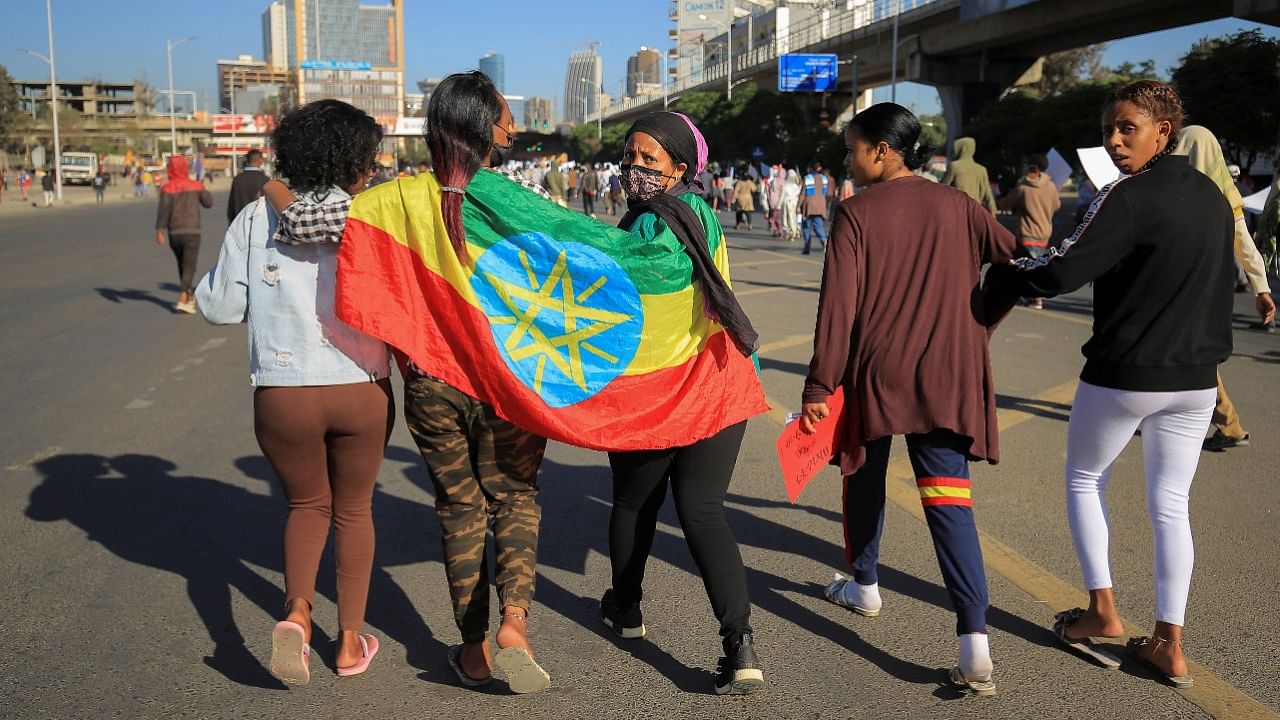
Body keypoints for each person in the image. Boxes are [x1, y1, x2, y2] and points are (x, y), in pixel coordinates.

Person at [260, 71, 554, 694]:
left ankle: (472, 650)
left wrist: (270, 188)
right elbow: (585, 265)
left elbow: (301, 224)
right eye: (504, 119)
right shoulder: (523, 194)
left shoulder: (394, 200)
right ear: (484, 129)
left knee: (459, 505)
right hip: (509, 379)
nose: (511, 129)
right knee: (516, 497)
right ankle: (515, 623)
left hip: (430, 381)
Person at [986, 79, 1233, 690]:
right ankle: (1167, 643)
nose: (1116, 140)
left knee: (1084, 479)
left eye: (1128, 128)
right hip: (1198, 380)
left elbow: (1060, 269)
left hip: (1125, 374)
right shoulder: (1210, 195)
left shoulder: (1124, 195)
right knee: (1170, 506)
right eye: (1108, 131)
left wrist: (1005, 266)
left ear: (1163, 133)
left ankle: (1101, 611)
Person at [801, 103, 1017, 697]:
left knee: (863, 474)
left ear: (882, 151)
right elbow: (1017, 262)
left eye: (853, 149)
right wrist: (980, 322)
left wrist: (820, 385)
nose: (848, 160)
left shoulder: (855, 214)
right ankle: (975, 642)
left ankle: (864, 584)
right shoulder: (961, 206)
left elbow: (837, 310)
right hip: (947, 373)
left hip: (877, 373)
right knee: (948, 499)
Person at [194, 99, 392, 685]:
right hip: (361, 386)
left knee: (307, 506)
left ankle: (299, 616)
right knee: (354, 509)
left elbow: (219, 306)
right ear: (354, 159)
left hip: (283, 391)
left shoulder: (257, 217)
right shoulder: (371, 215)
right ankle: (351, 643)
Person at [603, 111, 765, 696]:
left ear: (680, 167)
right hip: (721, 381)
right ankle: (739, 644)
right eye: (632, 157)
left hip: (665, 386)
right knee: (702, 511)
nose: (636, 169)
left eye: (650, 161)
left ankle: (625, 609)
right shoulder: (702, 214)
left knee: (635, 502)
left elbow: (631, 286)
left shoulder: (656, 221)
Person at [1173, 125, 1276, 450]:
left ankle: (1227, 424)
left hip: (1179, 290)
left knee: (1185, 353)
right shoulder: (1225, 196)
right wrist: (1261, 288)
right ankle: (1224, 423)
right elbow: (1244, 242)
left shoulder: (1170, 191)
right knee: (1188, 353)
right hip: (1211, 290)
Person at [998, 153, 1061, 309]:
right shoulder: (1052, 186)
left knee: (1028, 266)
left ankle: (1034, 297)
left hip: (1027, 232)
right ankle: (1035, 298)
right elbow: (1057, 206)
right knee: (1039, 264)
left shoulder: (1023, 188)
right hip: (1045, 233)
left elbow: (1004, 204)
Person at [154, 156, 213, 313]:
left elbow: (163, 212)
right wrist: (202, 187)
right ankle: (182, 297)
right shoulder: (195, 186)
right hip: (192, 231)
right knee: (190, 265)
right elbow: (209, 203)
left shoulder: (167, 188)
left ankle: (188, 296)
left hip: (175, 232)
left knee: (182, 264)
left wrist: (159, 231)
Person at [942, 137, 997, 214]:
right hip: (976, 210)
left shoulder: (954, 166)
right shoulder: (981, 169)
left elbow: (943, 188)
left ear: (962, 149)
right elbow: (988, 193)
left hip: (958, 209)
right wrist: (993, 210)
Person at [227, 149, 270, 222]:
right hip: (258, 222)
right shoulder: (265, 179)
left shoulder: (237, 179)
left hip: (239, 220)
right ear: (259, 161)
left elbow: (231, 204)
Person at [801, 163, 829, 255]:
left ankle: (807, 247)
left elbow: (803, 193)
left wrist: (798, 206)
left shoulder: (808, 178)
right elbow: (825, 192)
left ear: (811, 169)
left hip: (809, 205)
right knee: (818, 225)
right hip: (820, 205)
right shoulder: (824, 179)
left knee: (806, 227)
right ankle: (824, 240)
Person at [780, 169, 802, 242]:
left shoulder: (785, 185)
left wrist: (779, 205)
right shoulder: (797, 185)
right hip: (795, 202)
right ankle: (795, 231)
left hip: (787, 202)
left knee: (787, 218)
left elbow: (782, 196)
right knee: (794, 218)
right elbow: (800, 189)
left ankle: (790, 232)